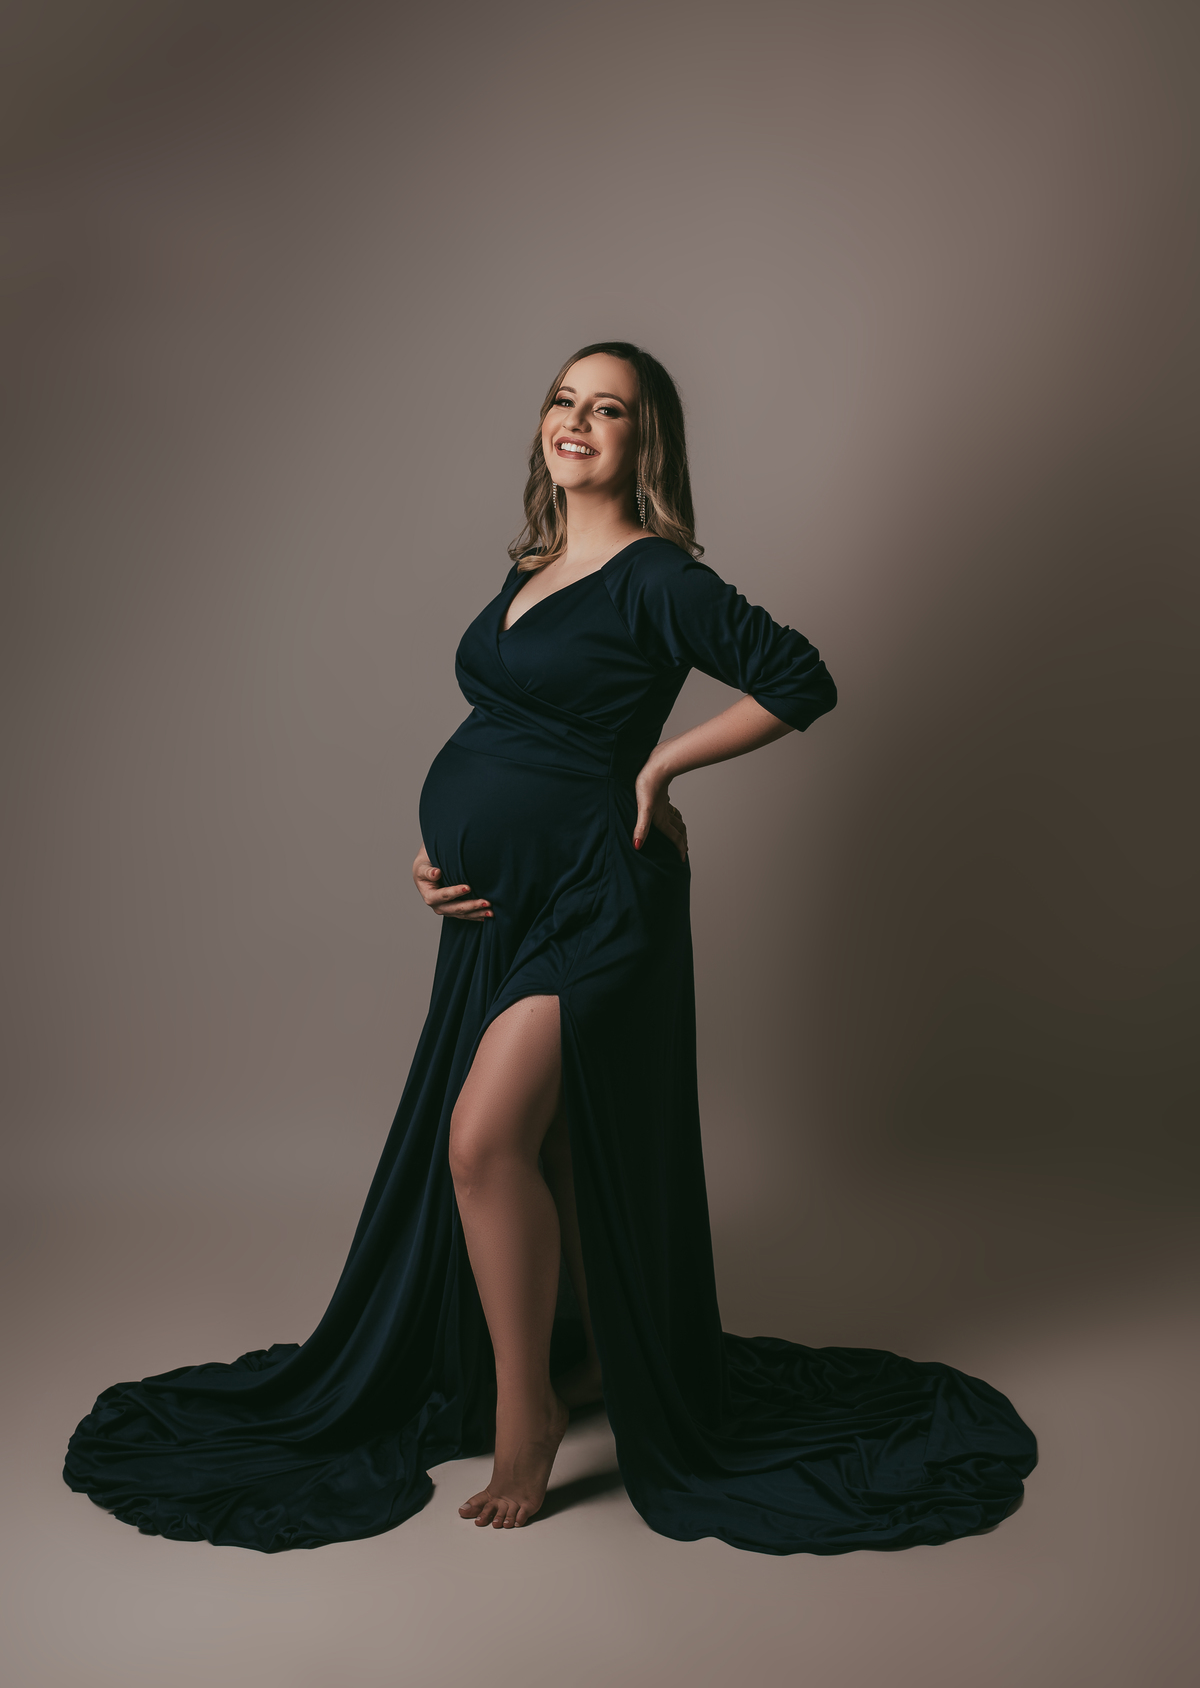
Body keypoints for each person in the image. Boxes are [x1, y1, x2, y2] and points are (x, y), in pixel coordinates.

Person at [64, 342, 1036, 1554]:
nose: (578, 420)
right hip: (505, 904)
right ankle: (579, 1350)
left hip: (598, 900)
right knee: (560, 1148)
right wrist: (441, 852)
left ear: (644, 441)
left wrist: (662, 765)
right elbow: (511, 727)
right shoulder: (531, 565)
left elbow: (800, 677)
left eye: (608, 408)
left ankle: (526, 1414)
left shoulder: (656, 576)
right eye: (564, 400)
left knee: (485, 1141)